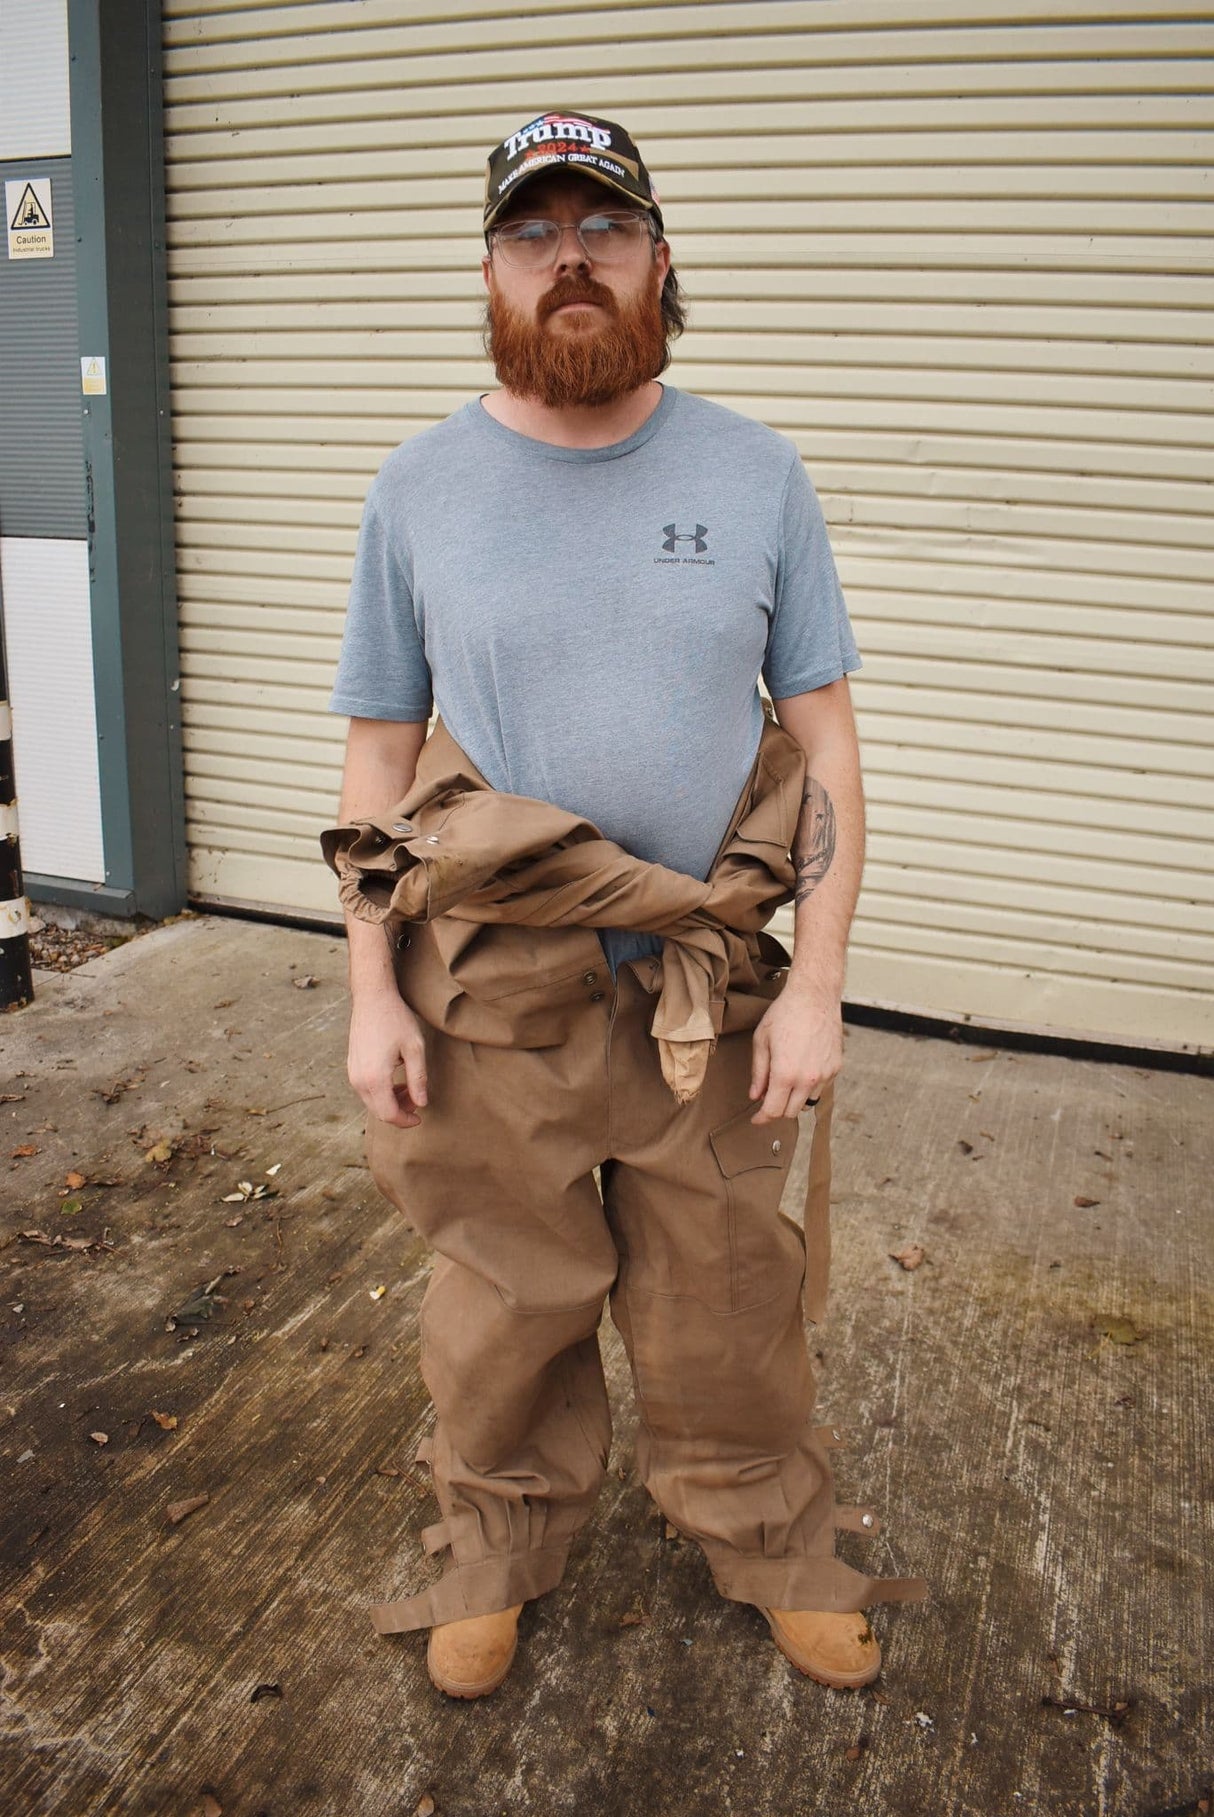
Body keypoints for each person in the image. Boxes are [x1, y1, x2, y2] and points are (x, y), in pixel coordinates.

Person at [327, 111, 925, 1700]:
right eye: (534, 231)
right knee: (507, 1301)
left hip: (707, 988)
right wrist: (370, 992)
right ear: (490, 274)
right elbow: (376, 757)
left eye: (603, 228)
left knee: (726, 1295)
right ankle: (496, 1550)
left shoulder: (753, 470)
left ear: (660, 262)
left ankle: (768, 1538)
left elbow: (826, 739)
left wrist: (818, 981)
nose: (569, 256)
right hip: (490, 988)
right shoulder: (420, 487)